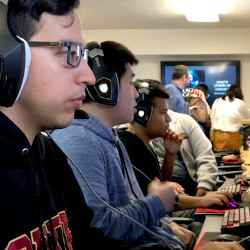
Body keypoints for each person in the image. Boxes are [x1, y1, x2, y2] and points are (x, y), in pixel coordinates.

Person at [0, 1, 167, 249]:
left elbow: (88, 240)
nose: (89, 77)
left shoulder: (48, 154)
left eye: (83, 56)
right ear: (9, 57)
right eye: (69, 52)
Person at [50, 40, 200, 249]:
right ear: (105, 86)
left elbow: (132, 211)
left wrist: (167, 224)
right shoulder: (79, 141)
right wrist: (156, 204)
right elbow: (99, 228)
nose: (137, 94)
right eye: (130, 83)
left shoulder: (109, 138)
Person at [118, 79, 222, 200]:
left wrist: (170, 154)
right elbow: (156, 201)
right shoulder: (132, 147)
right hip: (173, 205)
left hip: (189, 193)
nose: (168, 118)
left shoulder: (182, 124)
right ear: (143, 114)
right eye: (163, 113)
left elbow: (160, 186)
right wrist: (201, 202)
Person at [152, 109, 218, 197]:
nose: (169, 118)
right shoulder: (136, 136)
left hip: (195, 186)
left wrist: (202, 190)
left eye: (166, 111)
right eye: (162, 112)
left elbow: (206, 157)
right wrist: (163, 185)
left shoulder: (184, 122)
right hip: (166, 193)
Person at [211, 84, 250, 152]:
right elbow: (248, 115)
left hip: (218, 137)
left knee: (219, 159)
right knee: (234, 160)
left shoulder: (217, 101)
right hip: (232, 138)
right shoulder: (239, 102)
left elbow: (212, 119)